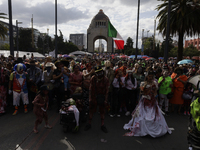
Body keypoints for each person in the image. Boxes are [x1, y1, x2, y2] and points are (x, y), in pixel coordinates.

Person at [123, 70, 172, 137]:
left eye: (152, 76)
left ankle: (153, 130)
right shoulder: (143, 83)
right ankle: (143, 130)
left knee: (154, 116)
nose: (151, 78)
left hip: (152, 102)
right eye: (149, 76)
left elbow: (156, 93)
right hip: (145, 101)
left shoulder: (155, 83)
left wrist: (156, 99)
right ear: (147, 77)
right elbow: (141, 93)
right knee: (142, 116)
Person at [84, 66, 109, 133]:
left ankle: (102, 125)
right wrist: (90, 98)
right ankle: (89, 124)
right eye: (97, 72)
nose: (99, 74)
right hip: (94, 97)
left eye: (100, 72)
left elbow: (107, 91)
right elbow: (90, 89)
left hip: (102, 97)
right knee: (91, 111)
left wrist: (105, 100)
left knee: (102, 111)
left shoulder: (105, 79)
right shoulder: (93, 78)